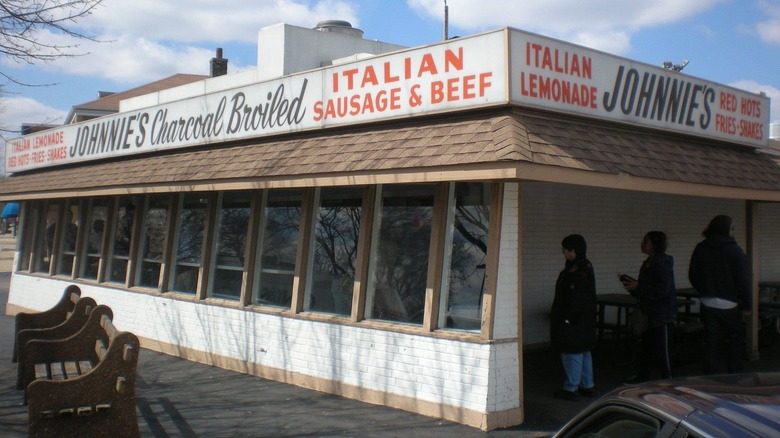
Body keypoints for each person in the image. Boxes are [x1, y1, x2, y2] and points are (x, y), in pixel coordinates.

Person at [688, 215, 751, 374]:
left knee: (711, 342)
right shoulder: (735, 251)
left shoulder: (701, 248)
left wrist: (704, 289)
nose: (733, 231)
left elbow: (693, 275)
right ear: (727, 229)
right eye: (732, 228)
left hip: (708, 302)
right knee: (735, 341)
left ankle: (711, 376)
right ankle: (735, 375)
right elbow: (743, 281)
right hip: (731, 303)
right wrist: (747, 304)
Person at [620, 231, 677, 383]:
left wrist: (639, 286)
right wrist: (634, 288)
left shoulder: (661, 263)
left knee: (663, 350)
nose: (642, 244)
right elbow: (647, 289)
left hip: (661, 314)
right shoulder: (648, 263)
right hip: (649, 312)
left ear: (654, 245)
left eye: (646, 242)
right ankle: (643, 376)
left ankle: (669, 380)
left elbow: (662, 290)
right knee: (648, 347)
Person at [550, 234, 597, 401]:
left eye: (565, 249)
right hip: (585, 320)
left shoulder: (576, 271)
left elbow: (575, 297)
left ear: (573, 251)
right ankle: (587, 385)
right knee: (584, 351)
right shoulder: (586, 266)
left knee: (572, 352)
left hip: (573, 320)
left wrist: (568, 318)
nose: (563, 252)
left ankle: (571, 388)